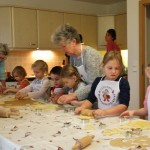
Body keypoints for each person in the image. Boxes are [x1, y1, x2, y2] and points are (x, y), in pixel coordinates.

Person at [51, 24, 102, 104]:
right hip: (84, 101)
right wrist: (60, 92)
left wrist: (72, 96)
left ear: (73, 42)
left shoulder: (90, 55)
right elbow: (71, 80)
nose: (62, 50)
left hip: (98, 101)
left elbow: (94, 85)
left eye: (64, 46)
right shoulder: (73, 57)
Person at [75, 51, 130, 117]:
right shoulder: (98, 81)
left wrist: (105, 112)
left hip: (117, 118)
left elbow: (123, 106)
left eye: (117, 68)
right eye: (110, 68)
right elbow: (90, 99)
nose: (113, 71)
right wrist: (82, 107)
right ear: (103, 65)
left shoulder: (123, 82)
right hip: (101, 116)